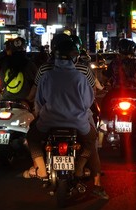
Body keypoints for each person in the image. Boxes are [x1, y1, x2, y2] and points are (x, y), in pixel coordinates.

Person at [24, 38, 109, 199]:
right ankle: (82, 170)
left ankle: (41, 169)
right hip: (77, 122)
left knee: (33, 136)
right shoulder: (81, 76)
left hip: (49, 121)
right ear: (74, 57)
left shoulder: (46, 75)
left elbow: (40, 100)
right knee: (91, 140)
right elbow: (88, 101)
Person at [100, 38, 136, 124]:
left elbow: (105, 79)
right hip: (134, 93)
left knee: (104, 104)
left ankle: (104, 127)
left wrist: (105, 84)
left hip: (115, 92)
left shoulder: (114, 63)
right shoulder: (135, 62)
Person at [0, 37, 37, 106]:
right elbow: (36, 84)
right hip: (25, 102)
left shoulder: (4, 63)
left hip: (6, 100)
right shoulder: (30, 65)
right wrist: (28, 100)